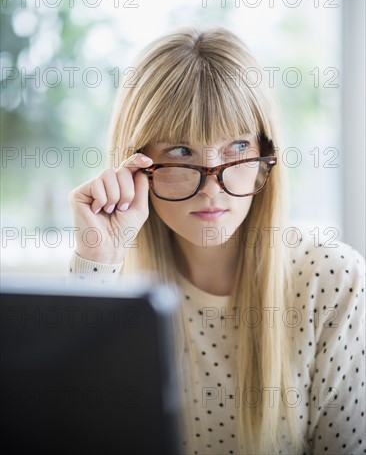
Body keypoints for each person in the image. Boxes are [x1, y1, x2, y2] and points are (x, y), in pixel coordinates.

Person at [68, 27, 365, 455]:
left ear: (266, 160)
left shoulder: (331, 279)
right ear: (135, 165)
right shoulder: (111, 282)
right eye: (182, 152)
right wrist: (96, 261)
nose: (212, 187)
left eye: (237, 146)